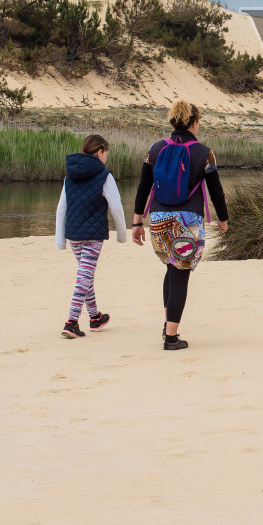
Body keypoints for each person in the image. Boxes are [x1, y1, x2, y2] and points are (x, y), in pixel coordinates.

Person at [131, 100, 228, 351]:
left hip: (159, 218)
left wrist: (136, 221)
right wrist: (223, 219)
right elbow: (216, 191)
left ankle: (167, 326)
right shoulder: (204, 152)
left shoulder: (154, 149)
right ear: (195, 123)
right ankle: (171, 338)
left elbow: (144, 187)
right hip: (188, 220)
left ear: (172, 122)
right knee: (180, 273)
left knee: (170, 268)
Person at [55, 134, 128, 339]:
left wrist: (60, 239)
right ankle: (71, 322)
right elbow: (116, 206)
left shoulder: (70, 176)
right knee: (84, 276)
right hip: (93, 235)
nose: (107, 158)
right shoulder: (105, 176)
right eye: (106, 153)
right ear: (99, 152)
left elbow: (62, 208)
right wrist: (122, 235)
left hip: (74, 233)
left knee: (85, 275)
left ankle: (95, 317)